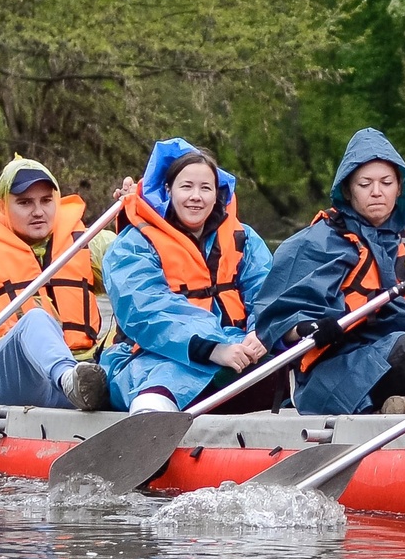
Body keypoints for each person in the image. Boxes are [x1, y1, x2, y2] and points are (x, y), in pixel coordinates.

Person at [254, 128, 405, 416]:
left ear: (399, 188)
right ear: (348, 190)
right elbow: (277, 322)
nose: (376, 191)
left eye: (386, 182)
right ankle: (400, 403)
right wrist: (307, 328)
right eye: (365, 183)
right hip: (341, 366)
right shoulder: (313, 243)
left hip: (402, 350)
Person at [98, 141, 274, 414]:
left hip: (237, 346)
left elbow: (266, 291)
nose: (196, 196)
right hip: (157, 355)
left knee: (286, 356)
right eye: (186, 186)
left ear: (217, 194)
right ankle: (149, 417)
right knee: (170, 372)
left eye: (206, 188)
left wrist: (259, 332)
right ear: (168, 190)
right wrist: (213, 348)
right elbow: (146, 311)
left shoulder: (244, 238)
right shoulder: (134, 244)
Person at [0, 155, 112, 411]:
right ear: (3, 206)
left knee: (129, 328)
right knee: (35, 319)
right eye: (24, 203)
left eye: (46, 201)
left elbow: (140, 270)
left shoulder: (87, 244)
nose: (38, 212)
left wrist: (136, 210)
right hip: (9, 382)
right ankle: (68, 379)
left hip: (84, 373)